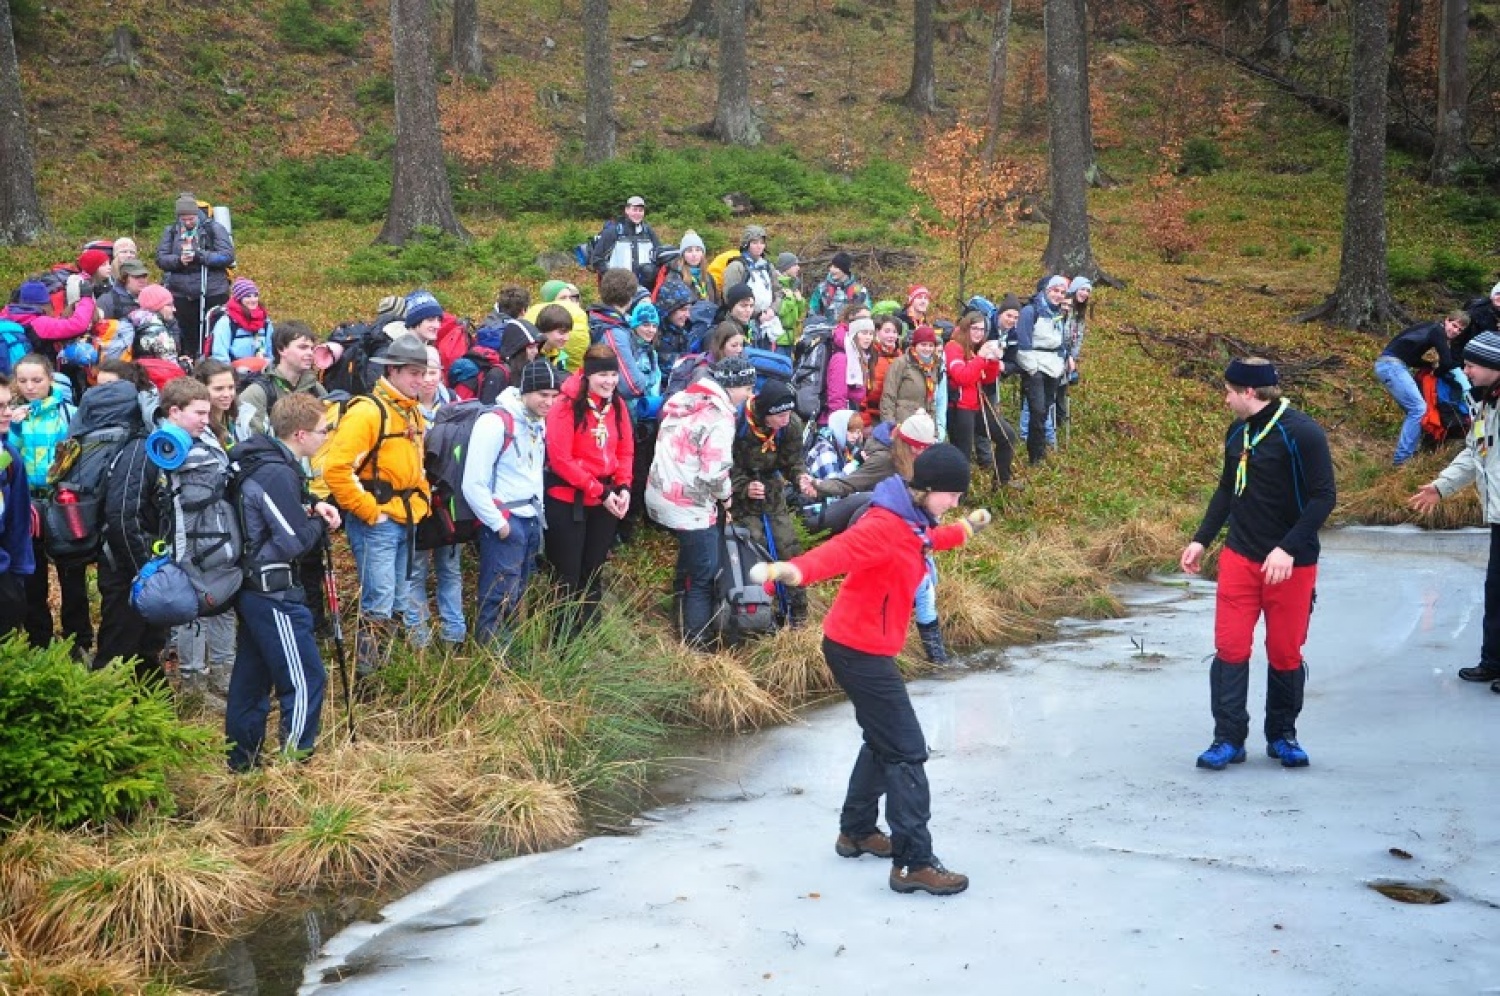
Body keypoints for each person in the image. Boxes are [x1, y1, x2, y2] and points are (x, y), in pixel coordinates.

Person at [751, 443, 991, 896]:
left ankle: (857, 831)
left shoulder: (912, 519)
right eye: (953, 496)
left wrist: (964, 529)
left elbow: (926, 541)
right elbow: (838, 553)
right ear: (928, 488)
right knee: (906, 749)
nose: (956, 502)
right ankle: (912, 863)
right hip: (856, 650)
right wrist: (791, 571)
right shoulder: (884, 524)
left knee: (882, 741)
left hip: (864, 646)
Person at [1179, 358, 1335, 770]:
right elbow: (1227, 490)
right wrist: (1201, 539)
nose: (1225, 397)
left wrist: (1287, 548)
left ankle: (1283, 735)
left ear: (1249, 392)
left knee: (1284, 652)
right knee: (1230, 648)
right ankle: (1227, 738)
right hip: (1240, 558)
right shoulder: (1238, 431)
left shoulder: (1302, 433)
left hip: (1291, 564)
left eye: (1229, 390)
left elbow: (1324, 498)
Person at [226, 392, 341, 771]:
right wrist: (320, 521)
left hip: (253, 588)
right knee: (306, 678)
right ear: (301, 434)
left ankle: (242, 765)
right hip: (273, 592)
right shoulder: (276, 472)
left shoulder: (261, 461)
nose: (327, 436)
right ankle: (294, 766)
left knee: (252, 680)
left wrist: (309, 505)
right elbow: (293, 541)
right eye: (324, 430)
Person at [321, 333, 432, 679]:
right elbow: (336, 470)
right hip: (378, 523)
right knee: (379, 603)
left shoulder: (413, 414)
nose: (420, 380)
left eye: (423, 372)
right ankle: (368, 679)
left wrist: (422, 502)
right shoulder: (368, 412)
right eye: (413, 372)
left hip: (405, 518)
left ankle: (389, 672)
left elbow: (418, 467)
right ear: (393, 371)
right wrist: (371, 511)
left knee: (399, 601)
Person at [97, 377, 208, 679]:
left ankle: (151, 720)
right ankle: (101, 714)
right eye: (199, 413)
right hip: (126, 570)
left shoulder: (182, 450)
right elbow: (122, 514)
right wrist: (143, 573)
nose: (206, 421)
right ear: (174, 411)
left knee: (149, 646)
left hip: (157, 567)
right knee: (118, 649)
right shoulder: (143, 449)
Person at [1410, 331, 1500, 694]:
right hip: (1498, 514)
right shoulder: (1484, 403)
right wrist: (1441, 486)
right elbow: (1474, 452)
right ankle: (1493, 661)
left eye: (1472, 365)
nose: (1466, 370)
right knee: (1495, 592)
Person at [647, 356, 757, 648]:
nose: (749, 395)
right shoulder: (719, 417)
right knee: (703, 577)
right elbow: (714, 472)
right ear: (733, 386)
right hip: (691, 506)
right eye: (747, 388)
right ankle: (697, 645)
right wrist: (727, 498)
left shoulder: (684, 403)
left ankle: (678, 623)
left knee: (688, 565)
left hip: (661, 496)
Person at [463, 360, 560, 647]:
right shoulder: (494, 422)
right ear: (525, 390)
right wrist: (499, 524)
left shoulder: (536, 422)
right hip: (506, 520)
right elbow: (473, 482)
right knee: (497, 595)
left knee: (516, 594)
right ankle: (490, 660)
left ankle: (508, 657)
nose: (549, 402)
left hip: (530, 519)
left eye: (554, 396)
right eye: (543, 394)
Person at [544, 345, 634, 633]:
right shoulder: (566, 405)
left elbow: (626, 450)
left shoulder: (617, 405)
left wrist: (623, 486)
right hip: (569, 501)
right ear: (587, 374)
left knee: (593, 571)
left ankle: (589, 636)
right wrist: (601, 491)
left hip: (604, 501)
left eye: (613, 374)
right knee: (567, 574)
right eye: (602, 375)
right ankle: (562, 640)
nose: (609, 381)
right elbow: (561, 460)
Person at [8, 354, 87, 656]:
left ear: (50, 380)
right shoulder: (13, 415)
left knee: (72, 572)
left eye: (37, 380)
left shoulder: (69, 413)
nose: (30, 387)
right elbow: (10, 457)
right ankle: (39, 638)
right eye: (24, 380)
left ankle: (78, 639)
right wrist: (12, 429)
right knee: (33, 573)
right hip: (27, 503)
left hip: (63, 502)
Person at [731, 381, 813, 626]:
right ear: (766, 414)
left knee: (787, 545)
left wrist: (800, 478)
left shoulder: (791, 426)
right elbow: (723, 464)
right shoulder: (737, 423)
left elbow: (792, 462)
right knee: (755, 545)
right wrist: (744, 486)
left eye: (788, 413)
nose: (786, 420)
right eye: (780, 416)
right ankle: (759, 612)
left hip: (772, 489)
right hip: (739, 493)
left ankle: (797, 614)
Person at [404, 346, 465, 648]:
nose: (428, 378)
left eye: (434, 370)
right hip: (415, 500)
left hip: (448, 501)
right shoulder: (403, 407)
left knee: (450, 568)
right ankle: (420, 639)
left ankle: (454, 634)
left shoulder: (456, 404)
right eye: (423, 371)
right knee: (415, 570)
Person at [1375, 312, 1471, 466]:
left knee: (1416, 411)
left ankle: (1411, 451)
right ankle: (1402, 460)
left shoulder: (1429, 327)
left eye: (1459, 330)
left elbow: (1410, 356)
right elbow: (1446, 362)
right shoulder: (1437, 331)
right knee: (1419, 409)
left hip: (1390, 364)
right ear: (1446, 320)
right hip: (1392, 366)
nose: (1455, 331)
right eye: (1454, 325)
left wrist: (1429, 365)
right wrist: (1437, 371)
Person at [155, 193, 235, 359]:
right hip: (180, 292)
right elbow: (161, 259)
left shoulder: (213, 228)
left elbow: (227, 256)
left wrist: (201, 256)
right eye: (184, 219)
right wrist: (178, 261)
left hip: (212, 290)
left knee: (212, 331)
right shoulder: (171, 231)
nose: (188, 222)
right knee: (185, 333)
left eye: (191, 218)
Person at [945, 311, 1014, 485]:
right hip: (959, 409)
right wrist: (982, 357)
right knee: (963, 454)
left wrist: (992, 362)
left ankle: (1001, 482)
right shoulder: (953, 347)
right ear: (965, 329)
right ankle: (958, 496)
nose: (978, 333)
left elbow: (987, 379)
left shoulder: (975, 350)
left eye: (982, 330)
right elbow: (962, 377)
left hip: (977, 407)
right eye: (974, 328)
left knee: (1007, 436)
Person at [1014, 278, 1070, 466]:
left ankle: (1039, 451)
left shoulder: (1059, 314)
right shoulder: (1031, 311)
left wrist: (1062, 360)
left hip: (1053, 368)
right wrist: (1033, 369)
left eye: (1062, 293)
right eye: (1055, 290)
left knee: (1045, 410)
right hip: (1035, 367)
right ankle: (1034, 456)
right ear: (1047, 290)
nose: (1058, 295)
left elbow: (1061, 341)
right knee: (1037, 411)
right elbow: (1023, 343)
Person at [236, 322, 327, 438]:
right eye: (303, 347)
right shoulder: (257, 392)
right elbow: (251, 443)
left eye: (311, 348)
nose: (310, 353)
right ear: (281, 349)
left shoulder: (315, 388)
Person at [0, 375, 35, 639]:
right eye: (0, 407)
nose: (8, 412)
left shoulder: (10, 457)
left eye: (8, 404)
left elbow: (18, 522)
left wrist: (18, 578)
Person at [879, 325, 946, 428]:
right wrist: (890, 427)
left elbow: (931, 403)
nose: (927, 349)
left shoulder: (933, 366)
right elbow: (888, 396)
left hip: (922, 425)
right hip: (902, 424)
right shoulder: (901, 363)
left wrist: (934, 431)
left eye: (931, 345)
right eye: (923, 345)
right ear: (915, 345)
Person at [720, 225, 780, 334]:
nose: (759, 246)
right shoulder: (736, 266)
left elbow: (779, 291)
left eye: (762, 243)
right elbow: (729, 298)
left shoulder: (768, 266)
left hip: (769, 322)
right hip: (742, 324)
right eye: (755, 243)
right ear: (746, 244)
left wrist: (773, 310)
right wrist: (756, 314)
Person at [208, 278, 273, 366]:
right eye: (248, 296)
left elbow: (271, 351)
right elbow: (220, 354)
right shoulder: (226, 322)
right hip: (235, 373)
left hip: (262, 372)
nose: (253, 300)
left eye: (255, 295)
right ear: (239, 298)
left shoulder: (265, 321)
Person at [590, 195, 659, 277]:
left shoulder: (648, 232)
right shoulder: (613, 231)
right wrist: (611, 277)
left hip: (645, 286)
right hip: (619, 285)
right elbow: (597, 259)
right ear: (627, 210)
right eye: (635, 210)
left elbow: (659, 253)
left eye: (640, 210)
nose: (637, 213)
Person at [808, 251, 870, 325]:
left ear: (845, 270)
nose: (831, 269)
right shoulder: (821, 288)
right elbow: (813, 312)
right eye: (831, 266)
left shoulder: (860, 290)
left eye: (835, 267)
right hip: (827, 333)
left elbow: (867, 315)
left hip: (851, 333)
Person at [806, 410, 865, 481]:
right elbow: (833, 484)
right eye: (851, 431)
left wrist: (860, 448)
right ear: (840, 429)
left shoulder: (842, 446)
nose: (855, 436)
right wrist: (855, 463)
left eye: (857, 432)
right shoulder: (826, 449)